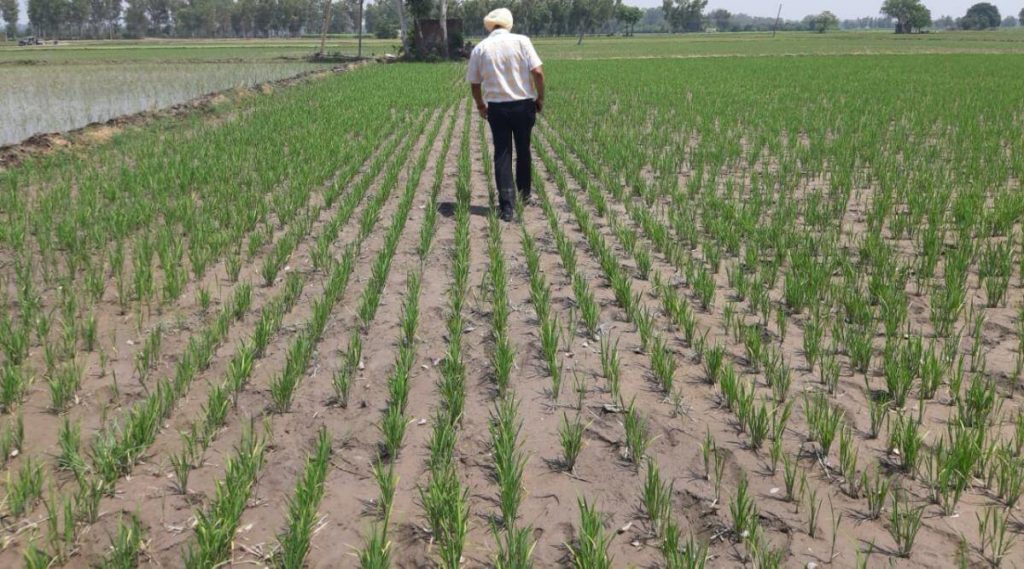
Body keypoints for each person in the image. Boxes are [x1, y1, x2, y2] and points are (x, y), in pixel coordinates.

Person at [466, 8, 545, 222]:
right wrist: (540, 98)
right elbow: (537, 72)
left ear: (491, 26)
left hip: (497, 109)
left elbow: (474, 83)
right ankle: (525, 195)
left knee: (502, 154)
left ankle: (507, 208)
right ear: (508, 24)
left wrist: (481, 106)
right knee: (524, 150)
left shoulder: (481, 48)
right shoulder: (522, 41)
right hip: (523, 105)